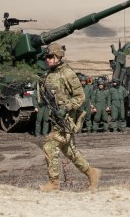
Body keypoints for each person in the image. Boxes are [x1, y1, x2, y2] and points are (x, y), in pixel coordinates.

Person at [38, 43, 100, 192]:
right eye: (46, 57)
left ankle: (54, 183)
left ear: (59, 57)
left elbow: (80, 97)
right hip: (56, 119)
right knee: (71, 153)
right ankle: (92, 173)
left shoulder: (67, 74)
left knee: (49, 146)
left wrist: (65, 108)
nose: (48, 60)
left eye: (51, 57)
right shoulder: (48, 75)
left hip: (66, 119)